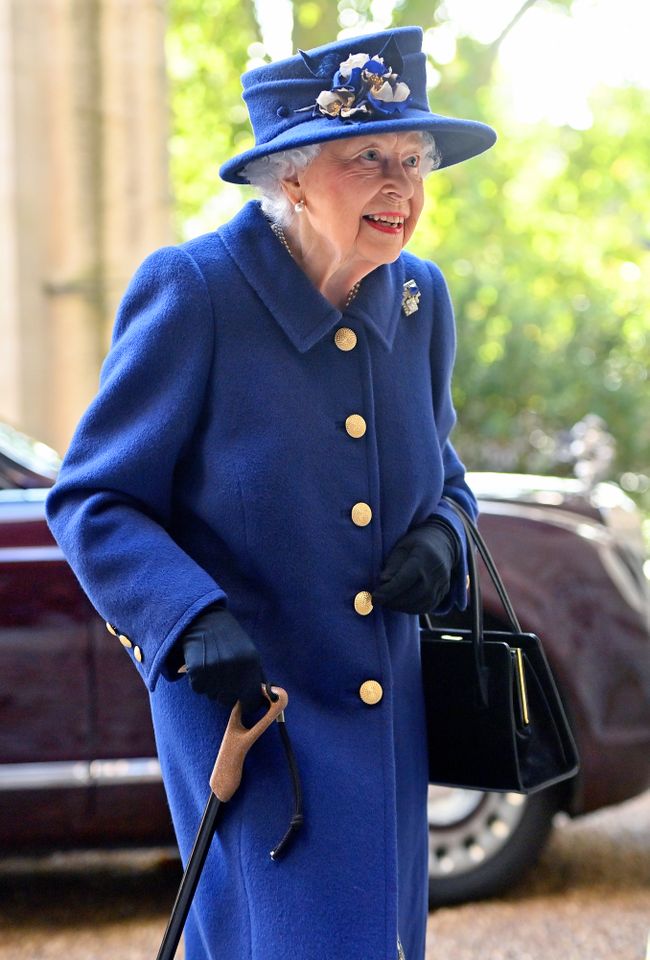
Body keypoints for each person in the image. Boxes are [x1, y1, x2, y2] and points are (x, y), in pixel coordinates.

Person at [45, 25, 496, 960]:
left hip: (388, 726)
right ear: (290, 175)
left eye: (413, 161)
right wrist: (184, 616)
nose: (401, 187)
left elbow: (446, 477)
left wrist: (445, 538)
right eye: (368, 156)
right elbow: (93, 499)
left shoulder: (418, 300)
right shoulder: (196, 291)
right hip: (256, 725)